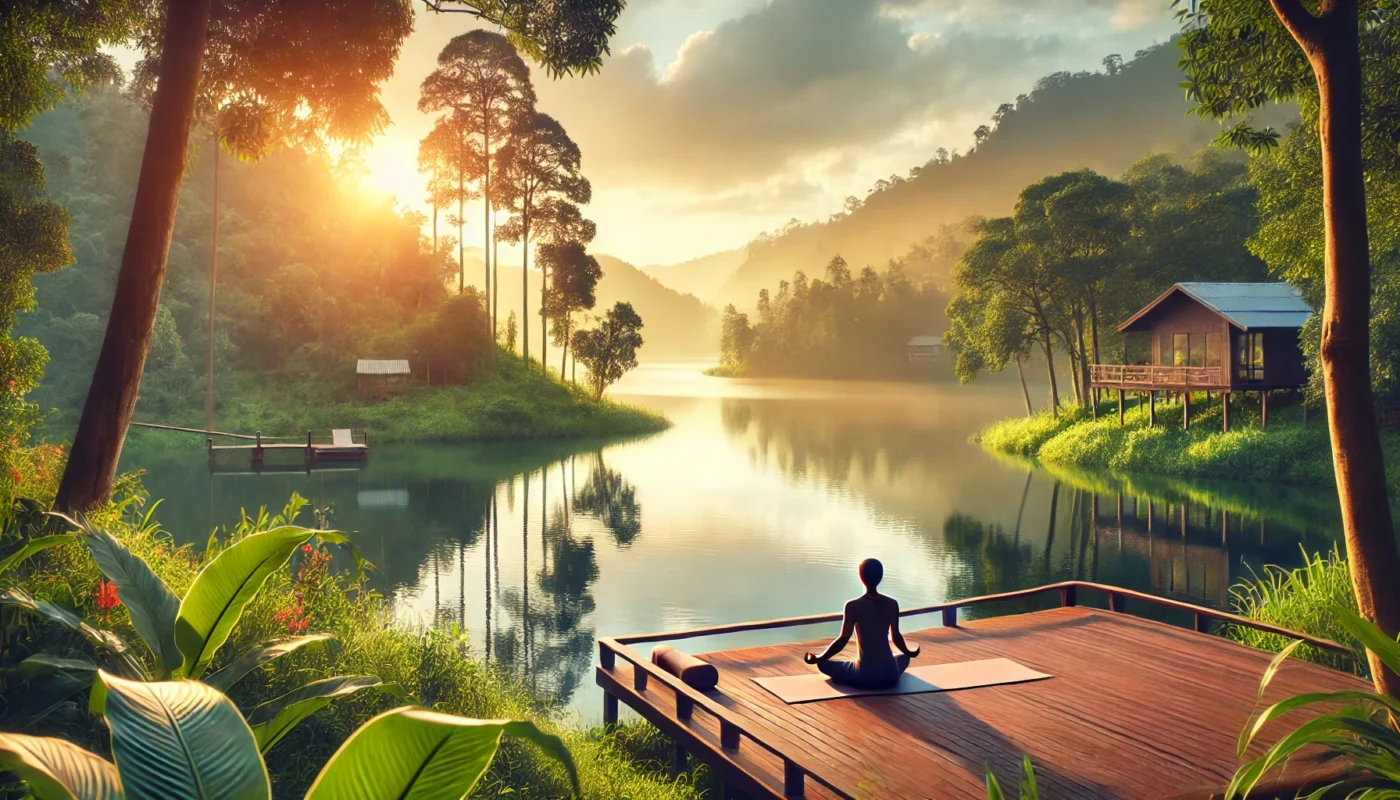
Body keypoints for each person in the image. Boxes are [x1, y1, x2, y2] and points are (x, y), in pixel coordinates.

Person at [803, 558, 920, 689]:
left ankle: (844, 669)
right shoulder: (892, 604)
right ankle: (888, 667)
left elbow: (842, 640)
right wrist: (910, 652)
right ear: (881, 576)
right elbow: (896, 636)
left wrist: (819, 657)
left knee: (823, 664)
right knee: (904, 658)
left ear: (861, 576)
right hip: (890, 676)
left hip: (865, 676)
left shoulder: (853, 606)